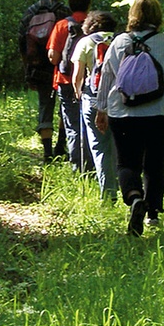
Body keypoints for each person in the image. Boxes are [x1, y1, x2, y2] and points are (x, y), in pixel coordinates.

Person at [96, 0, 164, 236]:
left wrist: (101, 108)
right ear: (158, 16)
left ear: (132, 15)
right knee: (154, 163)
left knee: (126, 162)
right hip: (158, 113)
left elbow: (108, 77)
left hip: (122, 112)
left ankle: (134, 198)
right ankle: (152, 214)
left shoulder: (119, 42)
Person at [19, 0, 71, 163]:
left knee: (45, 107)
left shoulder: (30, 12)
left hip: (38, 70)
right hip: (61, 68)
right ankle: (60, 147)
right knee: (65, 107)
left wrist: (28, 72)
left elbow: (22, 43)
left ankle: (47, 154)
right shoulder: (63, 12)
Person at [71, 10, 119, 201]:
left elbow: (77, 76)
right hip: (117, 100)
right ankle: (124, 188)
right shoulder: (120, 40)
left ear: (89, 25)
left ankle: (108, 195)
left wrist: (78, 93)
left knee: (99, 147)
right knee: (117, 146)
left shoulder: (85, 42)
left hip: (92, 98)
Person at [48, 0, 94, 172]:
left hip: (66, 81)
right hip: (91, 81)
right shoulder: (94, 25)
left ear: (70, 4)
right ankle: (93, 166)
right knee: (92, 125)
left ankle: (78, 168)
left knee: (73, 126)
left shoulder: (61, 26)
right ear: (89, 4)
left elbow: (53, 57)